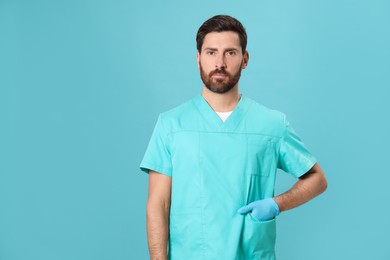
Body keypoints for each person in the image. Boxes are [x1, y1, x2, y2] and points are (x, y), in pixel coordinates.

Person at [140, 15, 327, 260]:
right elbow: (158, 204)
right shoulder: (171, 125)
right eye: (210, 53)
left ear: (245, 59)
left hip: (251, 254)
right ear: (198, 59)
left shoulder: (271, 124)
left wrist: (277, 203)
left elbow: (317, 179)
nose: (219, 62)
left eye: (230, 53)